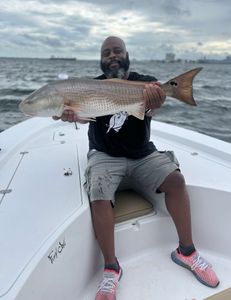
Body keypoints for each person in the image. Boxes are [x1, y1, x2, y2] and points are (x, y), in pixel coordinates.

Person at [53, 36, 219, 300]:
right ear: (101, 58)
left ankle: (186, 252)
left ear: (127, 54)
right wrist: (70, 113)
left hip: (142, 155)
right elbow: (83, 117)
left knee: (176, 181)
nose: (112, 56)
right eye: (106, 52)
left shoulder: (147, 83)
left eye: (117, 50)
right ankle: (111, 268)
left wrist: (156, 101)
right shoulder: (90, 86)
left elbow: (149, 109)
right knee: (98, 191)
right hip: (105, 155)